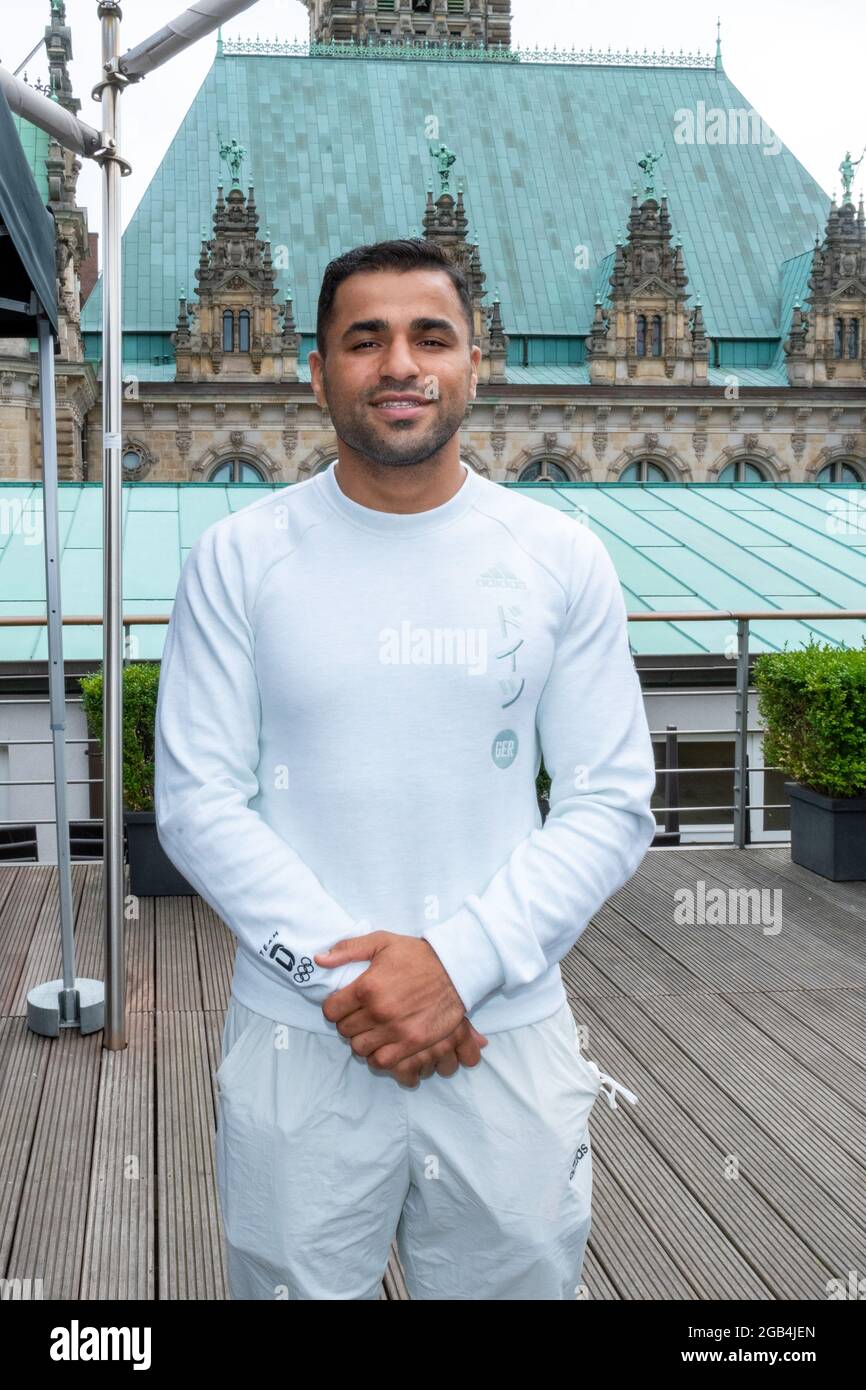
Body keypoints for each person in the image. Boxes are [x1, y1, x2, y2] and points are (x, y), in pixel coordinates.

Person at [154, 238, 658, 1301]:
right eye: (363, 338)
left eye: (429, 335)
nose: (398, 363)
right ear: (318, 369)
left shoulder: (559, 555)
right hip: (304, 1039)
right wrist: (373, 987)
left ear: (478, 360)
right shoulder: (236, 557)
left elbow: (609, 802)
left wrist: (457, 965)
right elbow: (199, 803)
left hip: (499, 1035)